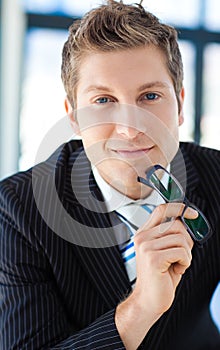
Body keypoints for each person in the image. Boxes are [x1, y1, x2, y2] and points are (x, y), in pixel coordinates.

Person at [0, 1, 220, 349]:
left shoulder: (216, 176)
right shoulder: (17, 209)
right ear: (73, 117)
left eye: (150, 96)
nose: (131, 129)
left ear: (179, 104)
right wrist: (140, 308)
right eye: (103, 100)